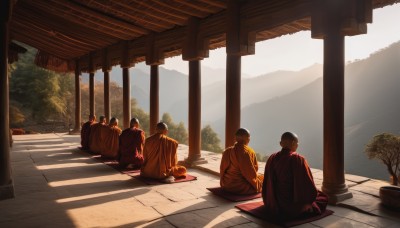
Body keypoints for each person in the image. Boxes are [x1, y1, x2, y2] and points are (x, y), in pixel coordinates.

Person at [262, 132, 328, 219]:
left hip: (273, 202)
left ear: (280, 144)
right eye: (297, 143)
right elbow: (307, 185)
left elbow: (267, 182)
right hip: (289, 205)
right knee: (322, 198)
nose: (297, 145)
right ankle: (306, 209)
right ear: (293, 143)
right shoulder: (297, 159)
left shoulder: (272, 157)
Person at [220, 128, 264, 194]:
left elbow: (222, 169)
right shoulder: (247, 152)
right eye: (249, 137)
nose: (249, 139)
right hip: (239, 186)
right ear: (245, 138)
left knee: (260, 177)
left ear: (236, 138)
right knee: (263, 179)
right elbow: (251, 173)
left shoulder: (227, 151)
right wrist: (258, 185)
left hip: (226, 184)